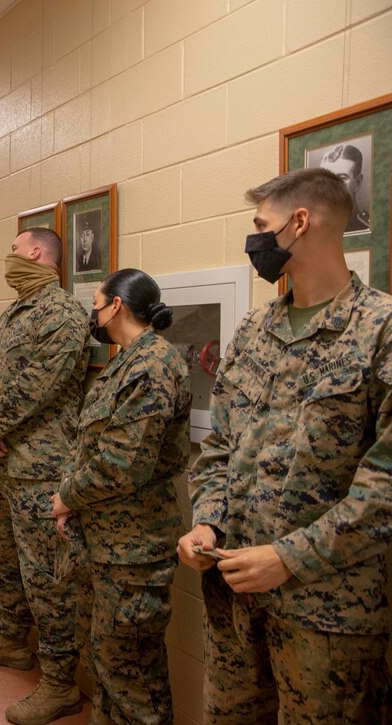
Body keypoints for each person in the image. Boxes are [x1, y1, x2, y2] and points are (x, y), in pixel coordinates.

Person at [180, 167, 392, 722]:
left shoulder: (380, 329)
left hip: (328, 614)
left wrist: (287, 558)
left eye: (261, 225)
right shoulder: (255, 329)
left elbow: (385, 487)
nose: (255, 240)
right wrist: (207, 520)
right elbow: (219, 445)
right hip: (234, 593)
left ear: (300, 223)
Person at [51, 268, 191, 725]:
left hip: (134, 551)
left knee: (132, 677)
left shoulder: (152, 366)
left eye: (96, 302)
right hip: (109, 543)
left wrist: (67, 496)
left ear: (116, 306)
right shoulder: (127, 361)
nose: (93, 312)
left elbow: (122, 465)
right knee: (107, 666)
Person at [0, 228, 91, 725]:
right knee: (4, 559)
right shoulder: (14, 313)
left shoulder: (63, 314)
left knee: (46, 578)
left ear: (36, 254)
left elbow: (37, 386)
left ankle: (60, 683)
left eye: (13, 250)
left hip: (40, 469)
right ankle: (13, 641)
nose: (9, 258)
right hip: (1, 462)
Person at [318, 143, 370, 233]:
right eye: (326, 179)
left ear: (357, 183)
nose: (332, 186)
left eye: (342, 178)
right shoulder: (314, 227)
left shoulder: (365, 227)